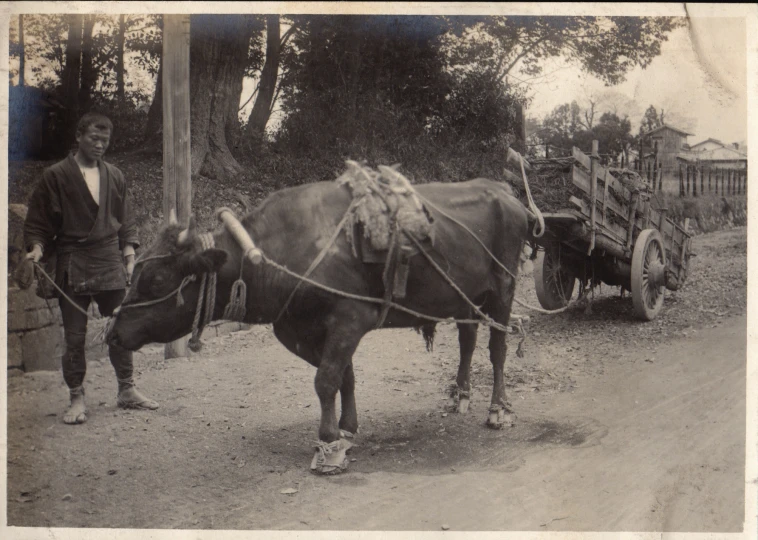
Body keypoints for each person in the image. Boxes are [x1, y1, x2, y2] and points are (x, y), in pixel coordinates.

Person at [24, 112, 158, 424]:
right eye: (93, 139)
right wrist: (36, 249)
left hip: (109, 259)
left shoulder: (115, 175)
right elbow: (38, 223)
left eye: (105, 141)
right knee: (74, 336)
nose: (99, 145)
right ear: (79, 137)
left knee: (119, 329)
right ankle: (76, 398)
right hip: (73, 262)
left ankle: (126, 389)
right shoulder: (55, 176)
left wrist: (128, 257)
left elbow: (127, 221)